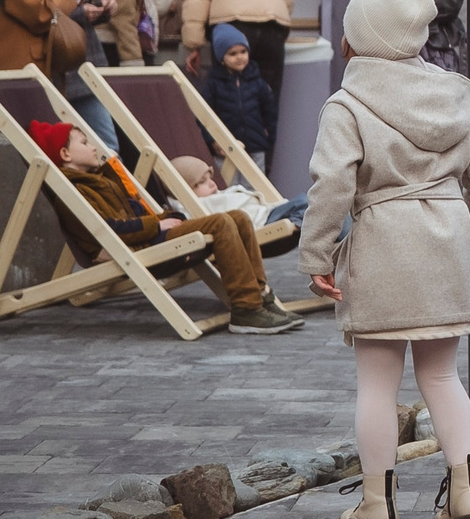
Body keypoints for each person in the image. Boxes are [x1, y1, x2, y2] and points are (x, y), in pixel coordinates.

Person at [300, 0, 470, 519]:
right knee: (442, 374)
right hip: (447, 240)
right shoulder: (453, 95)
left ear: (358, 40)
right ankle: (466, 496)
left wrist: (316, 253)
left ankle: (375, 506)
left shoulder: (348, 103)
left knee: (377, 384)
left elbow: (331, 184)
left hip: (385, 241)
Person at [30, 116, 302, 333]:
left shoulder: (101, 179)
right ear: (65, 154)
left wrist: (166, 218)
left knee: (238, 218)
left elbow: (134, 211)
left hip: (147, 236)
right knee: (220, 223)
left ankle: (259, 296)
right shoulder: (73, 190)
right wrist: (157, 226)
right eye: (83, 142)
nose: (92, 146)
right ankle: (246, 309)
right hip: (137, 245)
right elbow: (110, 230)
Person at [202, 23, 279, 168]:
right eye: (232, 54)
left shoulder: (258, 82)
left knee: (255, 187)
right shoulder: (213, 85)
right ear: (221, 58)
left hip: (255, 147)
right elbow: (204, 116)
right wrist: (212, 140)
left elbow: (270, 112)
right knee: (228, 187)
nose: (239, 57)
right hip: (225, 148)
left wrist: (268, 136)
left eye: (243, 51)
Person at [172, 152, 309, 229]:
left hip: (266, 213)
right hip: (263, 222)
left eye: (209, 178)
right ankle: (300, 224)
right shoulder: (195, 206)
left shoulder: (216, 196)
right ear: (185, 191)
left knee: (309, 201)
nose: (212, 184)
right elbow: (179, 210)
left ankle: (303, 224)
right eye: (202, 182)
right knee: (305, 202)